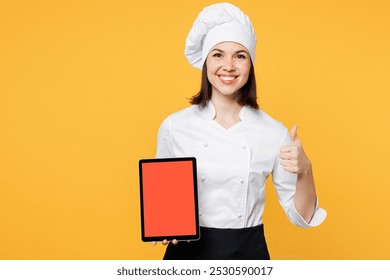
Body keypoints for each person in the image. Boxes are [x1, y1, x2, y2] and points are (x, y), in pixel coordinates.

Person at [152, 2, 326, 260]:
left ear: (251, 64)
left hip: (247, 254)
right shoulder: (175, 127)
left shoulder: (273, 131)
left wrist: (305, 170)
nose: (229, 66)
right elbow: (164, 204)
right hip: (187, 256)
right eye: (218, 54)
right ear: (206, 62)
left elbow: (301, 216)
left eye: (240, 55)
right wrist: (163, 226)